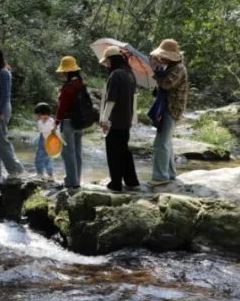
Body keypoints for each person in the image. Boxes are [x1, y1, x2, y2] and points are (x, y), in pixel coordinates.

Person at [99, 46, 140, 192]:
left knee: (113, 153)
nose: (107, 64)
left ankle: (115, 184)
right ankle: (132, 182)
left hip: (114, 121)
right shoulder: (130, 74)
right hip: (126, 120)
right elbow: (133, 98)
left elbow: (111, 100)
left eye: (108, 61)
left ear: (112, 59)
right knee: (124, 151)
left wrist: (104, 119)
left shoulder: (115, 75)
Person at [147, 39, 188, 187]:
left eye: (163, 56)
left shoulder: (178, 69)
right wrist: (157, 70)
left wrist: (155, 71)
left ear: (170, 56)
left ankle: (160, 177)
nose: (161, 58)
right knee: (167, 143)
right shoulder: (170, 67)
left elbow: (166, 84)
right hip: (169, 107)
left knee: (160, 143)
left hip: (171, 109)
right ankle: (170, 174)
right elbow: (159, 88)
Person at [0, 47, 25, 181]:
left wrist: (1, 111)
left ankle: (16, 169)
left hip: (1, 108)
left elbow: (6, 94)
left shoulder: (4, 73)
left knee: (0, 140)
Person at [54, 55, 91, 189]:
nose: (62, 73)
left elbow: (62, 107)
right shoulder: (81, 84)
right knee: (77, 153)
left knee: (68, 153)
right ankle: (77, 180)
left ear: (67, 71)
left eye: (64, 71)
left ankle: (71, 182)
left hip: (68, 123)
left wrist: (56, 122)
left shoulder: (68, 87)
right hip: (80, 123)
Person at [33, 102, 56, 181]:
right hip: (46, 142)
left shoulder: (49, 121)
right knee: (47, 159)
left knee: (39, 158)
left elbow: (45, 130)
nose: (38, 117)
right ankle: (50, 175)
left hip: (47, 143)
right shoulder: (48, 120)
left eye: (39, 115)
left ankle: (40, 174)